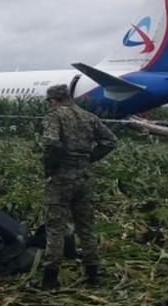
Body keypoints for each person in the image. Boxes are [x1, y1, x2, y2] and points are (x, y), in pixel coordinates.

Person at [40, 84, 117, 290]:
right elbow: (110, 141)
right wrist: (89, 158)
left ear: (53, 100)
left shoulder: (54, 116)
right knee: (86, 228)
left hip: (61, 179)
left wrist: (51, 167)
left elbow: (50, 142)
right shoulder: (88, 117)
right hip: (83, 179)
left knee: (55, 228)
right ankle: (92, 275)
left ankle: (50, 279)